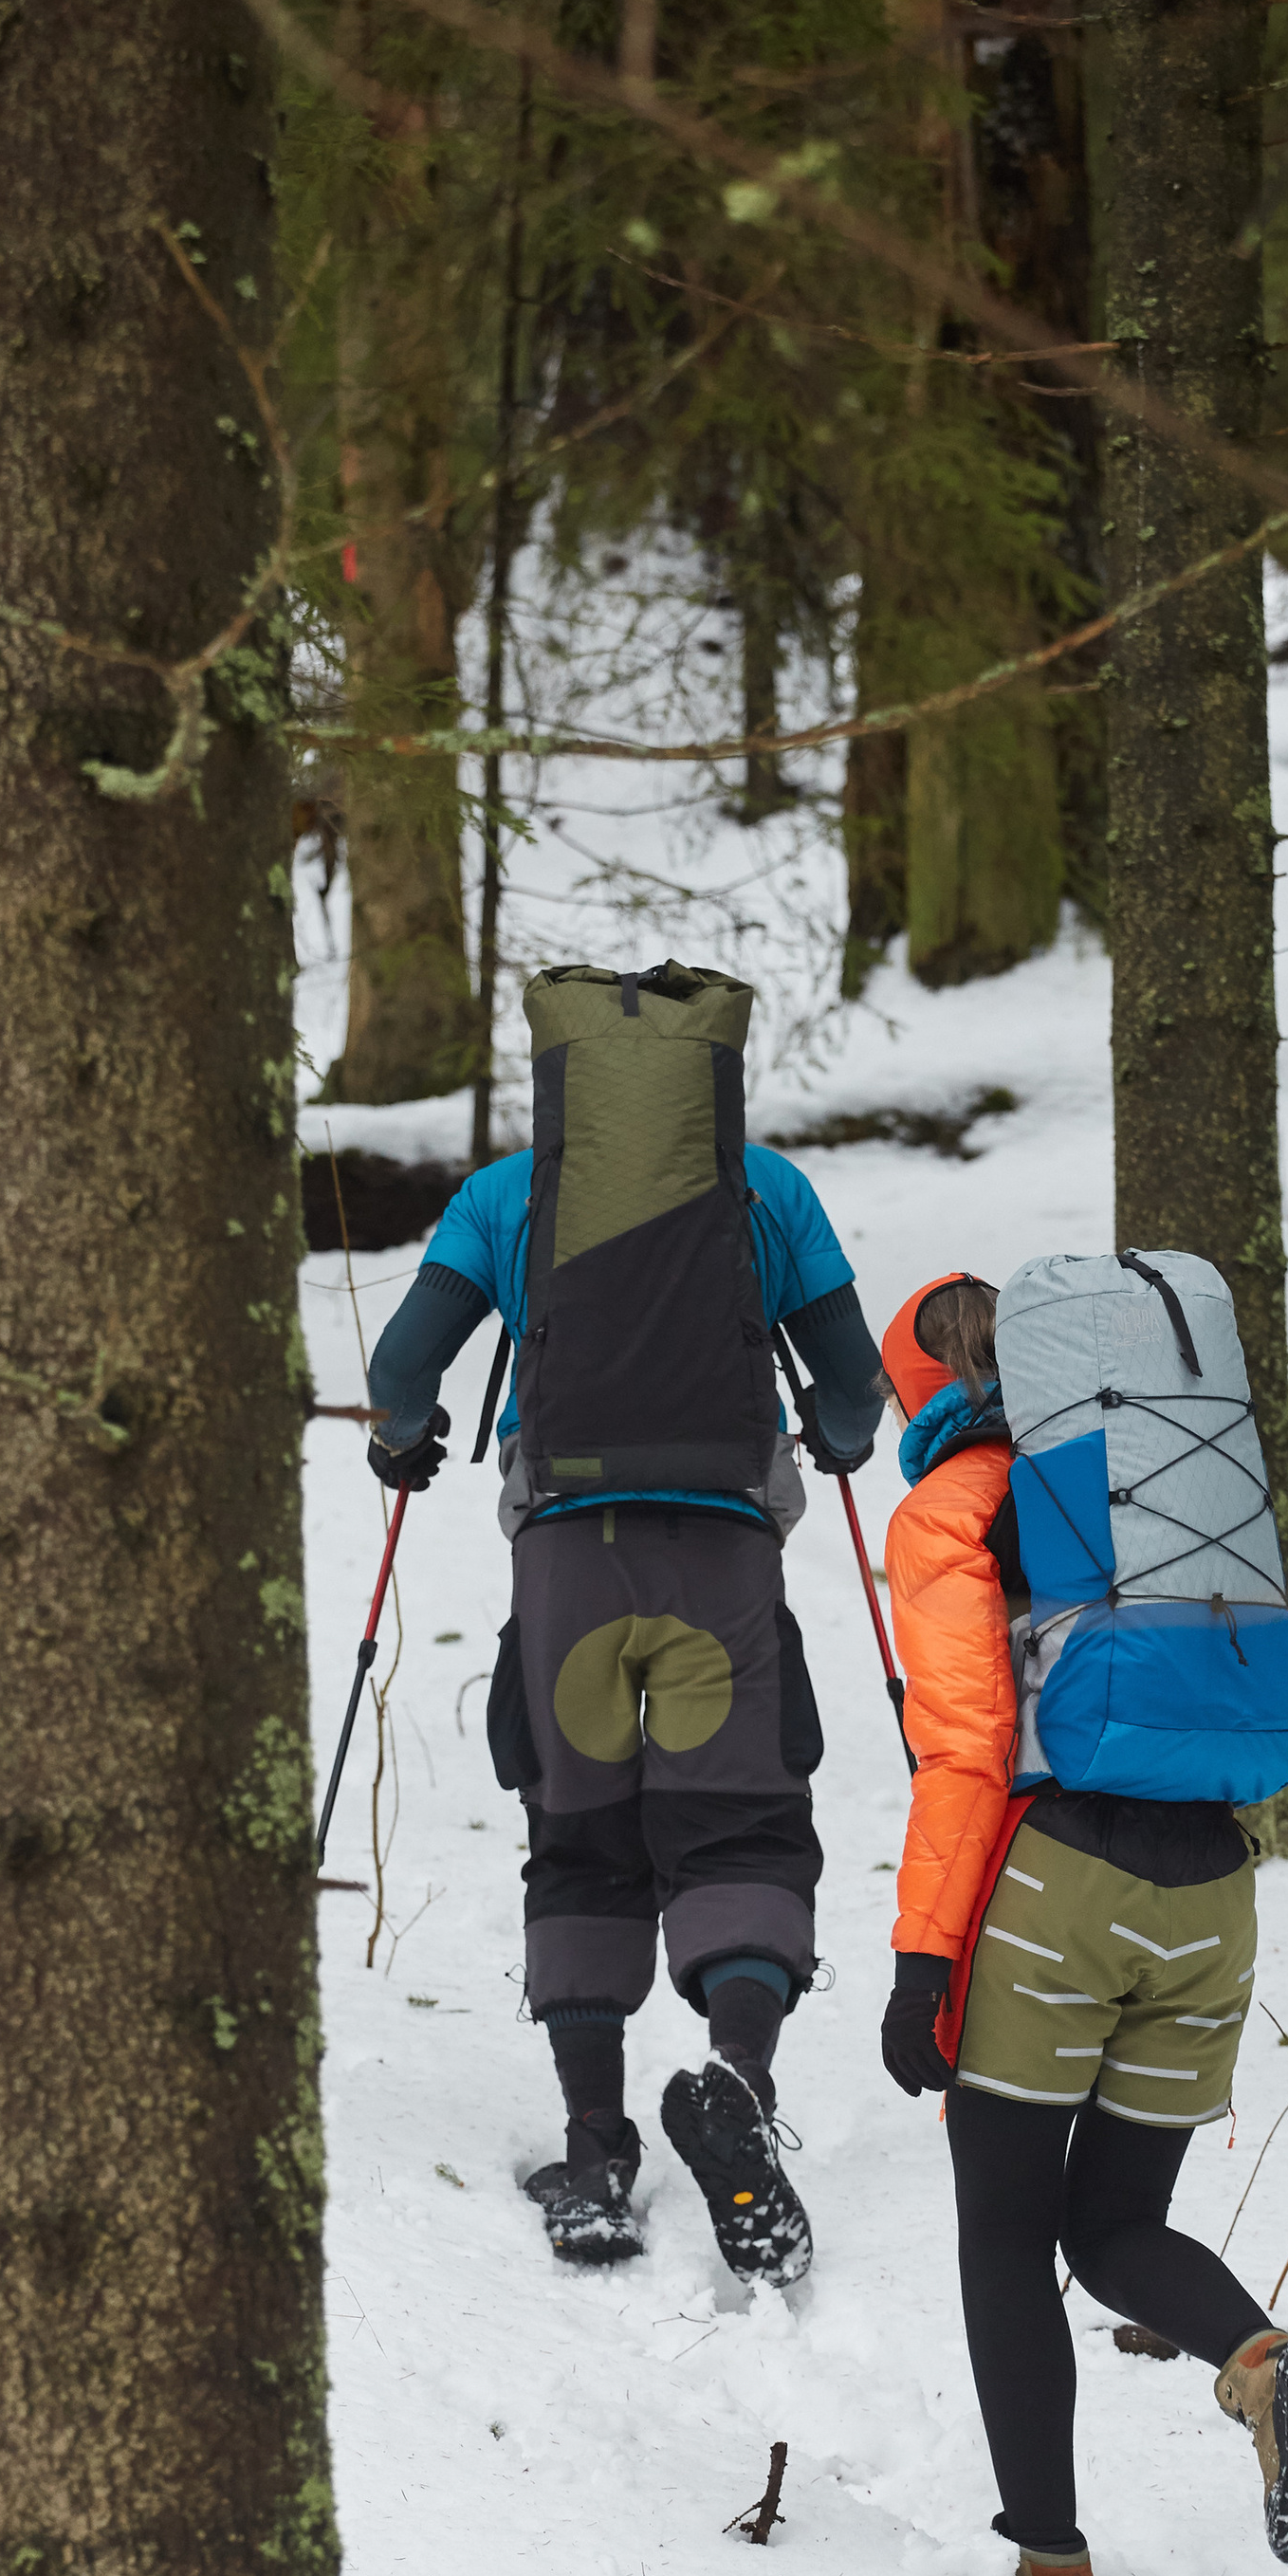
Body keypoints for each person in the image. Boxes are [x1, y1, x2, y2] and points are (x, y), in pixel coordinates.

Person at [365, 959, 887, 2283]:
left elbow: (400, 1367)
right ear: (713, 1078)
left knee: (584, 1835)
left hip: (566, 1564)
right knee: (742, 1824)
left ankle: (596, 2155)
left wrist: (404, 1439)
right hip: (722, 1558)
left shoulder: (503, 1196)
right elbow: (852, 1390)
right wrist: (827, 1435)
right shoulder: (767, 1191)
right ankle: (738, 2087)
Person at [874, 1268, 1288, 2576]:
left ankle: (1050, 2556)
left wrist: (922, 1965)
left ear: (923, 1394)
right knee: (1121, 2225)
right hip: (1216, 1884)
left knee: (1007, 2238)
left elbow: (966, 1757)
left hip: (1059, 1892)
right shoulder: (1146, 1492)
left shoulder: (953, 1508)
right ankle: (1264, 2363)